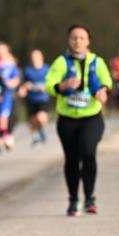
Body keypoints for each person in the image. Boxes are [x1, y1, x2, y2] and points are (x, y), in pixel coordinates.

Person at [46, 24, 113, 216]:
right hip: (67, 119)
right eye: (74, 38)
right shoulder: (61, 62)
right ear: (69, 40)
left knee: (89, 153)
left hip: (91, 116)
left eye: (82, 38)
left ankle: (90, 198)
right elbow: (49, 84)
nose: (77, 41)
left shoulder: (96, 61)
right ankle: (73, 199)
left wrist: (103, 91)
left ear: (88, 41)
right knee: (72, 159)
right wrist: (63, 86)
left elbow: (106, 80)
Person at [20, 48, 51, 146]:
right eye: (33, 56)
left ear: (42, 57)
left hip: (43, 98)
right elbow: (23, 84)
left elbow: (53, 81)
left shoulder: (47, 68)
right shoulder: (27, 70)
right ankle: (37, 137)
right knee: (32, 120)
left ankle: (41, 130)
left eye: (37, 56)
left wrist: (46, 86)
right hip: (31, 98)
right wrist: (25, 87)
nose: (34, 58)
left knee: (41, 118)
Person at [0, 42, 20, 149]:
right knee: (1, 118)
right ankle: (4, 136)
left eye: (2, 51)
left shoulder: (11, 65)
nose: (0, 53)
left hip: (8, 94)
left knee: (5, 117)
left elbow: (17, 79)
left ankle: (6, 136)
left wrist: (11, 83)